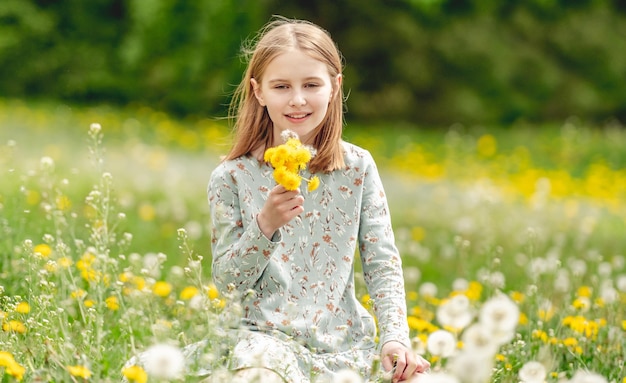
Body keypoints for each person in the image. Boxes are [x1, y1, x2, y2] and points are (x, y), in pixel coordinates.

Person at [206, 16, 430, 383]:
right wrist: (265, 226)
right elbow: (228, 284)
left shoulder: (357, 167)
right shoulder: (231, 177)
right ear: (258, 91)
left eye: (311, 84)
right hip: (262, 341)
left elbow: (382, 262)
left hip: (344, 344)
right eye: (281, 86)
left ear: (334, 87)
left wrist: (394, 338)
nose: (297, 100)